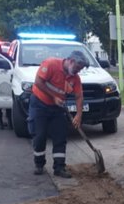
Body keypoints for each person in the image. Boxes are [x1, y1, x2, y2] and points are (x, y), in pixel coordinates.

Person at [28, 50, 88, 178]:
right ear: (71, 61)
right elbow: (38, 82)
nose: (79, 71)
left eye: (81, 69)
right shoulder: (51, 64)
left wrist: (78, 115)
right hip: (40, 104)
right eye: (78, 67)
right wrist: (54, 96)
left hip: (58, 108)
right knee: (40, 135)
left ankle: (59, 167)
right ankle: (39, 164)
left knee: (60, 136)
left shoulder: (75, 78)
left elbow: (79, 97)